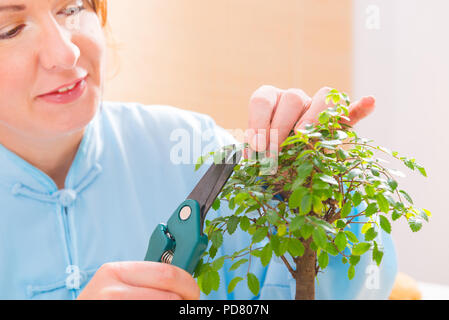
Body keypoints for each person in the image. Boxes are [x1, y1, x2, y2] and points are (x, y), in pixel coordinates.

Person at [0, 0, 398, 300]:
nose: (65, 53)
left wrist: (319, 186)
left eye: (70, 7)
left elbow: (347, 284)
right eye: (10, 29)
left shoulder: (195, 149)